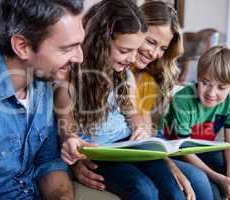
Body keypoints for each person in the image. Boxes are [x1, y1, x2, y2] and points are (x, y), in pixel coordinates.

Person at [55, 0, 190, 199]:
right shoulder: (71, 80)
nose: (130, 58)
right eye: (125, 51)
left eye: (135, 50)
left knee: (174, 190)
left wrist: (139, 128)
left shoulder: (124, 75)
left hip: (130, 146)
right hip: (99, 155)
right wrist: (72, 146)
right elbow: (66, 131)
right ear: (101, 42)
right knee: (143, 189)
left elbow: (133, 113)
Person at [0, 0, 85, 199]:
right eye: (67, 48)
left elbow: (48, 161)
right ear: (22, 46)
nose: (79, 58)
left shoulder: (41, 78)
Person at [128, 1, 214, 200]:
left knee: (198, 180)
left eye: (162, 48)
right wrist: (169, 166)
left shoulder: (150, 77)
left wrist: (168, 163)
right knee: (194, 181)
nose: (154, 53)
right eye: (150, 41)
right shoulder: (117, 70)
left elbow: (148, 134)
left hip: (150, 145)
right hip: (126, 148)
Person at [160, 45, 230, 200]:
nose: (211, 93)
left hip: (205, 151)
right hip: (178, 153)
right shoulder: (182, 100)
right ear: (198, 77)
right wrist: (218, 178)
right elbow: (184, 149)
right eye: (205, 83)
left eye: (221, 87)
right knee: (212, 189)